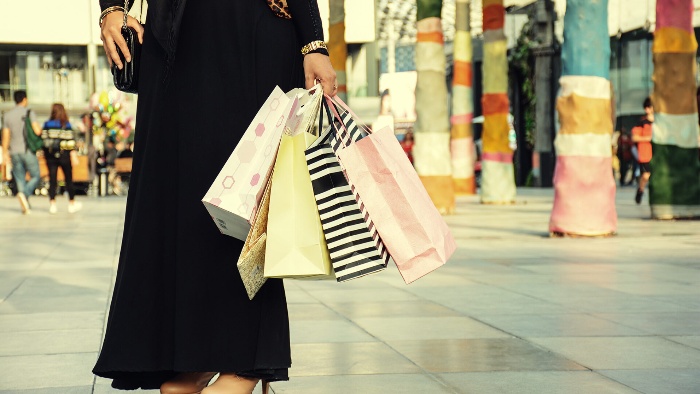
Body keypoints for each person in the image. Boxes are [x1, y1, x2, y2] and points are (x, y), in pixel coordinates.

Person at [94, 1, 337, 393]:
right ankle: (195, 356)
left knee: (242, 204)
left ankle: (235, 359)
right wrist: (111, 10)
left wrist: (313, 42)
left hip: (249, 34)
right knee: (183, 201)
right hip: (174, 41)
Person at [1, 90, 42, 214]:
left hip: (14, 151)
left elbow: (6, 136)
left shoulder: (8, 115)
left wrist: (4, 152)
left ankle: (25, 203)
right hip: (27, 150)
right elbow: (37, 131)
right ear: (25, 99)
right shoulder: (29, 113)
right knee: (36, 175)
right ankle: (24, 194)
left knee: (20, 178)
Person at [42, 103, 83, 214]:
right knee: (68, 179)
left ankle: (52, 204)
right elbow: (70, 142)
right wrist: (73, 154)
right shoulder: (66, 124)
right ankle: (71, 203)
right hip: (64, 155)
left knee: (52, 179)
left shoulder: (47, 124)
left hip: (50, 156)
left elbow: (44, 140)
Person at [631, 97, 653, 204]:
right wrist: (647, 139)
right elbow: (634, 137)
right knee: (645, 175)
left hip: (657, 154)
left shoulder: (659, 122)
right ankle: (640, 190)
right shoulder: (642, 122)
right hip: (645, 154)